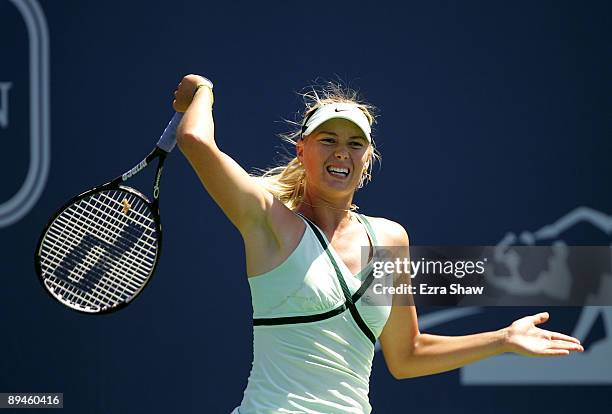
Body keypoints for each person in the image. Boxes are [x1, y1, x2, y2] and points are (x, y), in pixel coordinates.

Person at [172, 74, 584, 414]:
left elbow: (407, 355)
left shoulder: (388, 239)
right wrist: (203, 90)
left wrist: (503, 339)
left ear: (367, 159)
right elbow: (195, 140)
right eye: (327, 140)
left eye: (355, 144)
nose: (341, 153)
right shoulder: (268, 220)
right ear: (302, 151)